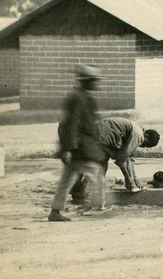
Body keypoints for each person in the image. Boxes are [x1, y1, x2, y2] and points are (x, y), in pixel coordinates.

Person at [49, 64, 104, 222]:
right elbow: (72, 124)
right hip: (80, 147)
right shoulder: (79, 98)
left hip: (77, 147)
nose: (96, 84)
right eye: (94, 81)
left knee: (67, 180)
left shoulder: (81, 97)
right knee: (97, 175)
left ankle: (55, 211)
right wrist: (68, 149)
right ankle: (100, 207)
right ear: (87, 81)